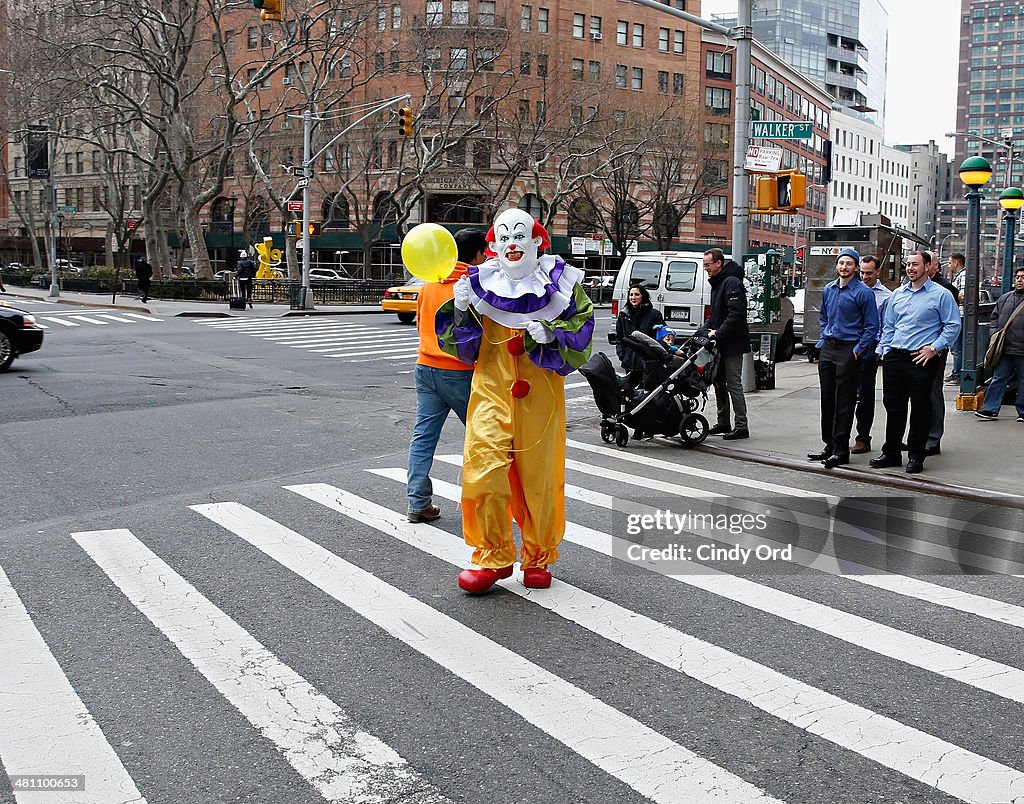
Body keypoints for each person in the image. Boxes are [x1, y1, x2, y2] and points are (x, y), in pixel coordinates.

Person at [436, 208, 594, 594]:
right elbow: (462, 347)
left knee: (539, 478)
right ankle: (492, 556)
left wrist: (553, 333)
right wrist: (459, 310)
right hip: (490, 389)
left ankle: (538, 556)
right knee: (483, 470)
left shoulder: (562, 283)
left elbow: (583, 331)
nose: (512, 243)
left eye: (520, 235)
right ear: (493, 245)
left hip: (540, 394)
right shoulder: (478, 284)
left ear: (538, 241)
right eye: (504, 236)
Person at [406, 228, 487, 523]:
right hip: (460, 373)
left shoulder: (428, 285)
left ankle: (417, 501)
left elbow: (420, 327)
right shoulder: (474, 286)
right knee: (483, 437)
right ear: (477, 254)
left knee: (423, 437)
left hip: (425, 368)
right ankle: (482, 504)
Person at [871, 250, 961, 474]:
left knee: (921, 408)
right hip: (895, 357)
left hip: (921, 358)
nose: (910, 268)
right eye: (908, 265)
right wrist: (884, 350)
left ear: (928, 266)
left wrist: (934, 348)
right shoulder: (898, 294)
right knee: (893, 406)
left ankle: (915, 455)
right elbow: (889, 326)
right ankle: (891, 452)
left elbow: (953, 325)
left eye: (915, 264)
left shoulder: (941, 295)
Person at [807, 248, 879, 469]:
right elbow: (824, 317)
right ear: (836, 266)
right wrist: (823, 338)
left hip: (849, 350)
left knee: (844, 401)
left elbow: (872, 327)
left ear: (856, 267)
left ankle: (841, 450)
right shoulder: (829, 289)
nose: (844, 267)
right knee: (827, 399)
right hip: (829, 348)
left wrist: (858, 348)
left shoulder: (863, 293)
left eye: (849, 263)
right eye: (841, 263)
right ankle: (829, 445)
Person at [702, 247, 750, 440]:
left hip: (732, 343)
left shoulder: (730, 283)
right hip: (720, 341)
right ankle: (723, 422)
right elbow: (716, 315)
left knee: (733, 384)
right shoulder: (718, 283)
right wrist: (705, 330)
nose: (705, 268)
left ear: (718, 263)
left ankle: (741, 426)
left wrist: (718, 333)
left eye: (708, 265)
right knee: (718, 382)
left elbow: (736, 314)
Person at [851, 255, 891, 454]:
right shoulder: (852, 289)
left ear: (877, 272)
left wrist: (878, 351)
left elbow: (886, 325)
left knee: (865, 395)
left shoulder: (885, 296)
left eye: (869, 273)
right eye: (862, 272)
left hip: (869, 348)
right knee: (844, 394)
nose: (865, 276)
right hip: (849, 346)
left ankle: (863, 437)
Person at [975, 267, 1024, 422]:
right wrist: (994, 333)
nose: (1019, 280)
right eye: (1017, 277)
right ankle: (990, 409)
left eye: (1023, 277)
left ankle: (1022, 411)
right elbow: (994, 318)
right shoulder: (1005, 298)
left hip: (1022, 349)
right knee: (998, 378)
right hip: (1005, 347)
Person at [922, 251, 960, 456]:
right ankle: (919, 435)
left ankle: (933, 438)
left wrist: (937, 347)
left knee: (932, 393)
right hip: (913, 350)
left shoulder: (945, 290)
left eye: (928, 264)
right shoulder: (908, 287)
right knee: (917, 395)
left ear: (934, 266)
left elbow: (951, 325)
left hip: (935, 351)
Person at [615, 284, 664, 388]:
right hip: (629, 362)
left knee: (647, 392)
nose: (633, 297)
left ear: (643, 296)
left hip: (647, 363)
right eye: (631, 295)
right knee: (630, 394)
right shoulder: (623, 315)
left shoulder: (654, 315)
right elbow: (619, 338)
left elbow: (661, 337)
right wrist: (622, 355)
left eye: (637, 294)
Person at [946, 253, 966, 384]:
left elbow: (964, 295)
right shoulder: (959, 276)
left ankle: (958, 374)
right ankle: (956, 372)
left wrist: (951, 295)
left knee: (957, 347)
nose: (948, 265)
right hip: (958, 314)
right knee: (955, 347)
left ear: (956, 263)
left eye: (949, 262)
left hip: (961, 314)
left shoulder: (963, 276)